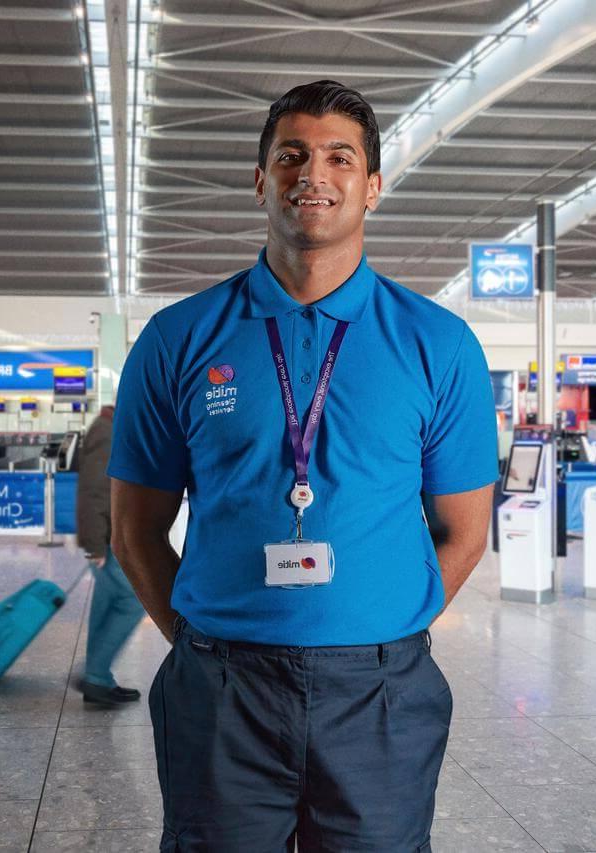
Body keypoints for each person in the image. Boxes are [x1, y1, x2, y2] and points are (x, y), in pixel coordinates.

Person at [108, 80, 498, 852]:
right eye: (290, 155)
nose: (311, 173)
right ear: (261, 181)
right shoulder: (178, 339)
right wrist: (196, 639)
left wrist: (380, 629)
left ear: (372, 187)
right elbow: (134, 530)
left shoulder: (438, 344)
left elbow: (465, 530)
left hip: (380, 696)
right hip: (222, 691)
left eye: (338, 157)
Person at [74, 404, 146, 708]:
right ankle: (95, 675)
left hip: (110, 538)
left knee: (104, 606)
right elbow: (93, 492)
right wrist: (94, 545)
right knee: (133, 599)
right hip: (108, 540)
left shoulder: (113, 427)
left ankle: (97, 677)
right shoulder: (107, 430)